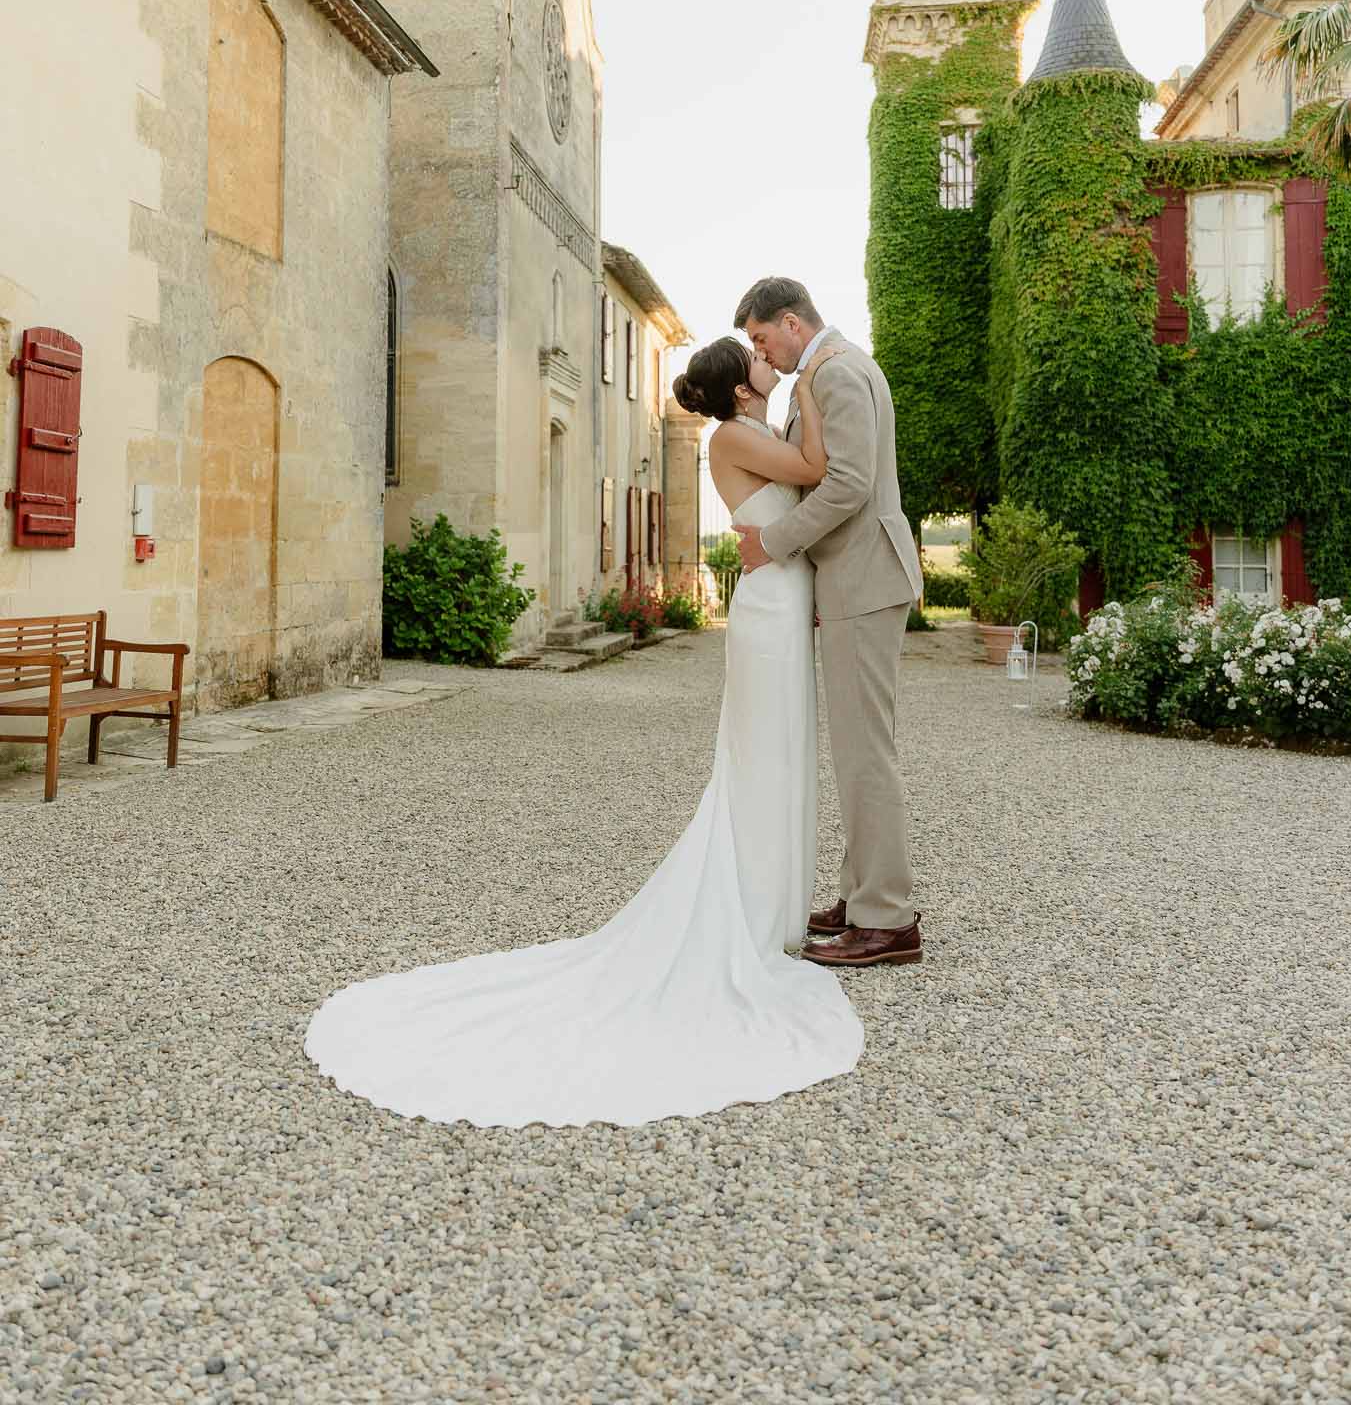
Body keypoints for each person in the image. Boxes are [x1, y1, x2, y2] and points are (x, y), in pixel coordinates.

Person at [304, 335, 863, 1128]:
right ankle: (750, 915)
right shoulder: (735, 435)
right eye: (759, 360)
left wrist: (794, 396)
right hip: (768, 611)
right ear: (742, 389)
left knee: (780, 758)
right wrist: (812, 388)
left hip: (780, 600)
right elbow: (812, 473)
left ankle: (771, 913)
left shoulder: (750, 427)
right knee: (761, 760)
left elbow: (798, 483)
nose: (769, 364)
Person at [732, 276, 924, 971]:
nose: (761, 352)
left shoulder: (836, 372)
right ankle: (863, 896)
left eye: (759, 338)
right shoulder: (826, 369)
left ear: (789, 322)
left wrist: (773, 544)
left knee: (864, 753)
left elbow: (846, 483)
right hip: (854, 579)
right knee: (856, 750)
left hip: (863, 580)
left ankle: (886, 920)